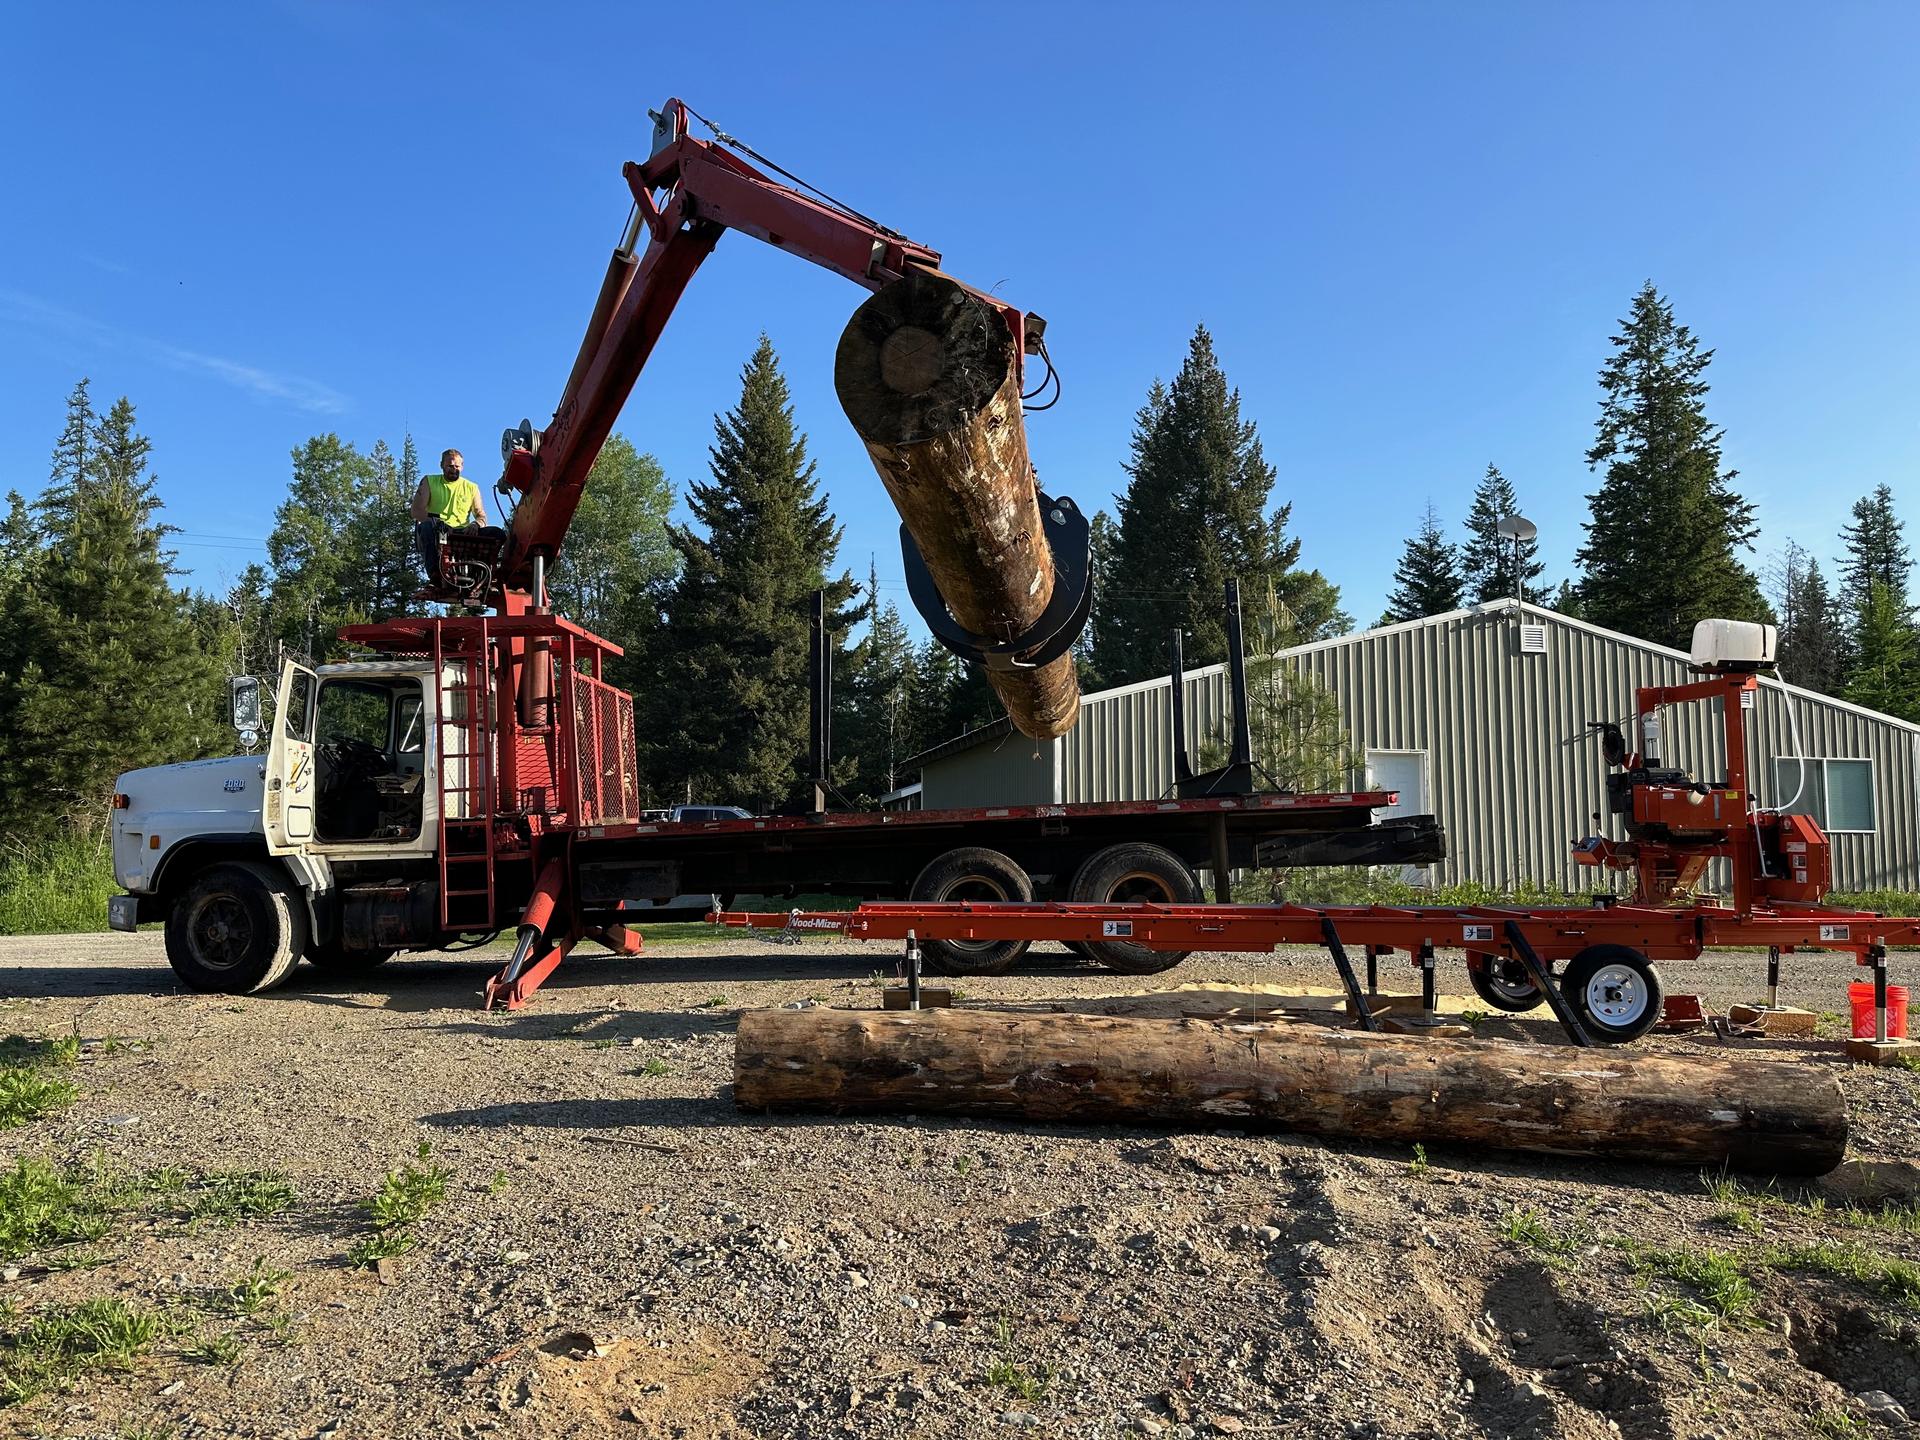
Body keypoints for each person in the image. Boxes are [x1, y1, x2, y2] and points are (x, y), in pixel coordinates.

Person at [412, 449, 489, 582]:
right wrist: (437, 522)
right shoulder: (429, 481)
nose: (453, 469)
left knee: (497, 533)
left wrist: (475, 524)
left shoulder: (471, 487)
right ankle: (435, 574)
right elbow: (416, 511)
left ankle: (484, 575)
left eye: (457, 466)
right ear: (442, 465)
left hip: (463, 531)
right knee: (425, 527)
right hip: (439, 529)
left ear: (462, 467)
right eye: (450, 466)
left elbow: (481, 515)